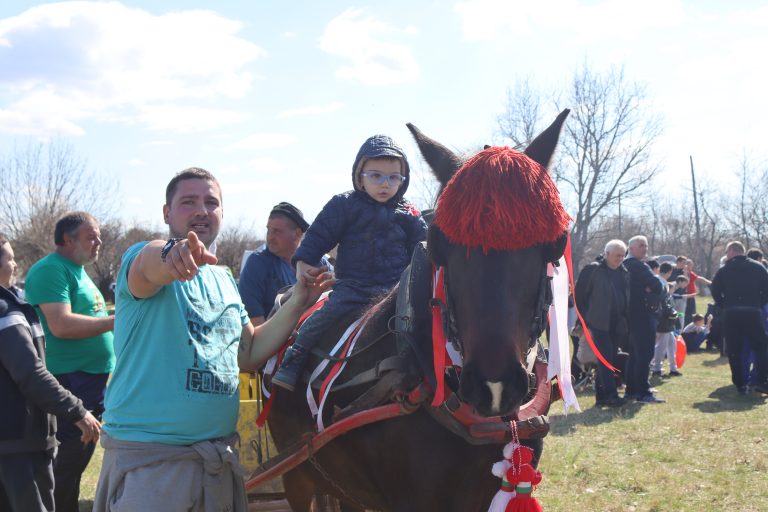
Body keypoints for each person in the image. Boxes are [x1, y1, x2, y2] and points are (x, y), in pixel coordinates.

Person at [93, 167, 333, 512]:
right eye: (188, 202)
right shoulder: (143, 255)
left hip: (218, 460)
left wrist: (297, 302)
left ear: (222, 213)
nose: (201, 210)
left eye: (211, 202)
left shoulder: (223, 279)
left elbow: (248, 352)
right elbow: (150, 265)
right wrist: (170, 254)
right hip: (153, 464)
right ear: (166, 212)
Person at [272, 134, 428, 391]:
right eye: (375, 175)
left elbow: (422, 248)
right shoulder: (344, 205)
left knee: (424, 323)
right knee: (323, 318)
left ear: (403, 179)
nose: (385, 184)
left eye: (393, 177)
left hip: (396, 291)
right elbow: (318, 235)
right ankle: (295, 357)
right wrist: (304, 261)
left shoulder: (409, 213)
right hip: (354, 287)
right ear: (360, 176)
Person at [1, 238, 102, 512]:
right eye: (9, 258)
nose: (15, 264)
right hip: (18, 445)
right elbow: (31, 373)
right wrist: (78, 411)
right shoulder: (5, 311)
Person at [24, 212, 115, 512]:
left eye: (98, 236)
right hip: (69, 381)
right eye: (91, 236)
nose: (98, 242)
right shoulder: (51, 270)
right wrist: (114, 322)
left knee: (75, 464)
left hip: (91, 381)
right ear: (67, 239)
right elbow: (61, 325)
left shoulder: (78, 269)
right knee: (64, 467)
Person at [239, 202, 331, 326]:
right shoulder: (257, 264)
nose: (270, 236)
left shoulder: (319, 263)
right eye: (269, 230)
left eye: (277, 231)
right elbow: (254, 327)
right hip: (275, 343)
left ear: (297, 234)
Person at [574, 240, 630, 407]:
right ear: (607, 254)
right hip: (597, 324)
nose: (620, 259)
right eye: (617, 255)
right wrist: (584, 320)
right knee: (605, 360)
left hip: (616, 324)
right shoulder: (593, 270)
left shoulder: (624, 272)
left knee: (609, 359)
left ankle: (601, 397)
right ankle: (611, 396)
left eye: (622, 255)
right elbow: (580, 295)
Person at [710, 241, 768, 395]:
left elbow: (715, 290)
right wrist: (758, 303)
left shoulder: (725, 270)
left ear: (732, 251)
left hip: (732, 312)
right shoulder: (758, 267)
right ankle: (762, 381)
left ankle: (740, 383)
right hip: (753, 311)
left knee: (734, 349)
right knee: (760, 347)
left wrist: (724, 305)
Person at [623, 235, 665, 403]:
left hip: (630, 316)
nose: (645, 249)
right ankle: (643, 392)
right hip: (642, 315)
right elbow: (659, 286)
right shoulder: (638, 266)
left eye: (646, 246)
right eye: (641, 246)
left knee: (634, 354)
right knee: (644, 354)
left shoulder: (624, 265)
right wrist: (653, 289)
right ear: (631, 248)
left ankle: (632, 390)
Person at [651, 262, 682, 377]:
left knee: (671, 344)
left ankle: (673, 368)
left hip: (664, 317)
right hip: (662, 318)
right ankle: (656, 368)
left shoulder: (658, 280)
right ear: (669, 272)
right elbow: (663, 302)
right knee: (661, 345)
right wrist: (671, 312)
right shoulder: (660, 282)